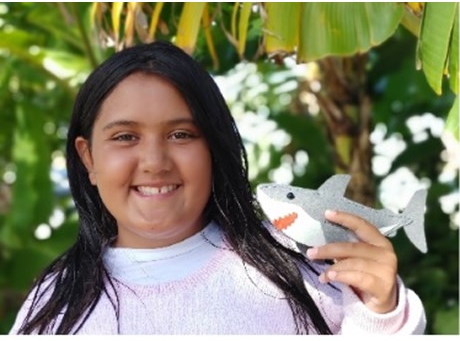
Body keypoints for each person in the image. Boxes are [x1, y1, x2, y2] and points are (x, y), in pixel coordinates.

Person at [9, 41, 426, 335]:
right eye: (124, 138)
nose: (155, 162)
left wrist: (381, 312)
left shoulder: (303, 268)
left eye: (181, 135)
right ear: (88, 159)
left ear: (215, 147)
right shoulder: (54, 304)